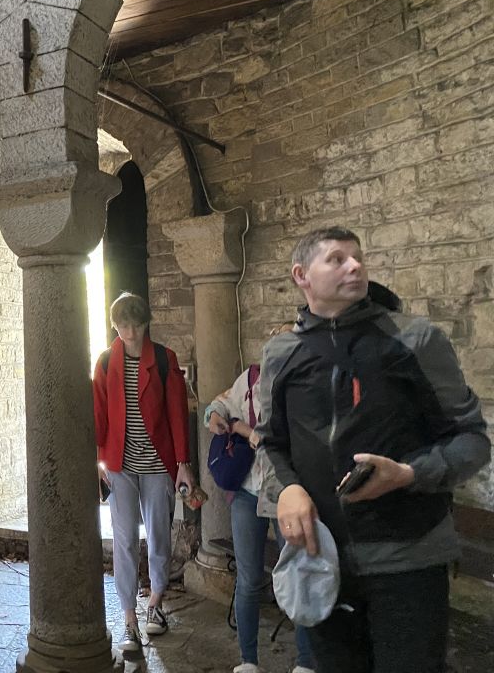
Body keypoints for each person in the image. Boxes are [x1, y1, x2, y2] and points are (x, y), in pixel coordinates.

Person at [258, 226, 490, 673]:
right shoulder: (281, 353)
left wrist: (409, 474)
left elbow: (472, 439)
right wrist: (286, 489)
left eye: (358, 257)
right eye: (337, 258)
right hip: (323, 559)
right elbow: (271, 442)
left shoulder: (415, 340)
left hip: (408, 558)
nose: (355, 266)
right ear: (301, 276)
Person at [204, 325, 315, 673]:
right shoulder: (250, 379)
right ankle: (248, 660)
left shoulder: (305, 385)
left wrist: (244, 428)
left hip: (288, 492)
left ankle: (305, 662)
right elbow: (218, 406)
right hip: (248, 492)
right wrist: (219, 418)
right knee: (249, 578)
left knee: (298, 574)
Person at [93, 292, 194, 652]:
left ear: (146, 323)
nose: (130, 333)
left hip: (157, 462)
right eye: (123, 326)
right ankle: (128, 620)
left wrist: (183, 464)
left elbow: (177, 414)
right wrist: (97, 462)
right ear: (115, 326)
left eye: (136, 325)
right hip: (119, 464)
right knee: (123, 541)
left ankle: (156, 603)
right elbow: (99, 414)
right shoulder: (106, 361)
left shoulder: (165, 359)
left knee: (158, 535)